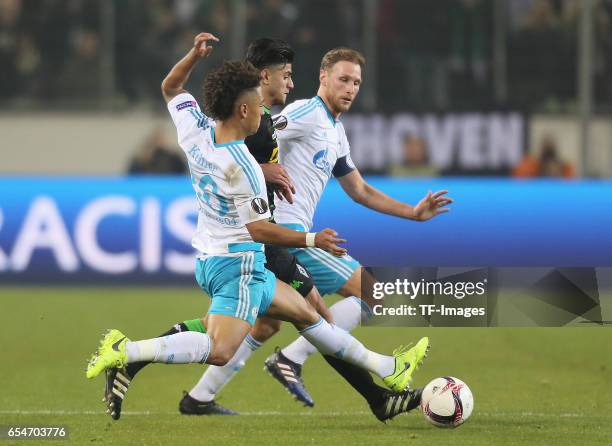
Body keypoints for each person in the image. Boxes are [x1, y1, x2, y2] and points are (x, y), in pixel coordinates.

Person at [85, 32, 430, 422]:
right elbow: (258, 227)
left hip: (222, 250)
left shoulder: (196, 127)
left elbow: (171, 87)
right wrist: (310, 233)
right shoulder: (253, 156)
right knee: (238, 341)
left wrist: (194, 56)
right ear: (250, 98)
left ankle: (381, 375)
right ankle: (129, 352)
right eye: (285, 75)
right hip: (249, 254)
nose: (289, 83)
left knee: (296, 318)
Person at [186, 46, 453, 409]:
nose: (351, 88)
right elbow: (246, 136)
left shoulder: (335, 131)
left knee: (265, 324)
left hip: (287, 237)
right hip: (289, 236)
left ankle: (199, 396)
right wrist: (259, 170)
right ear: (323, 77)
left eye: (357, 82)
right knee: (368, 297)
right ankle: (293, 360)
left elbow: (359, 190)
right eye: (343, 79)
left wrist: (413, 212)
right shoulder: (304, 114)